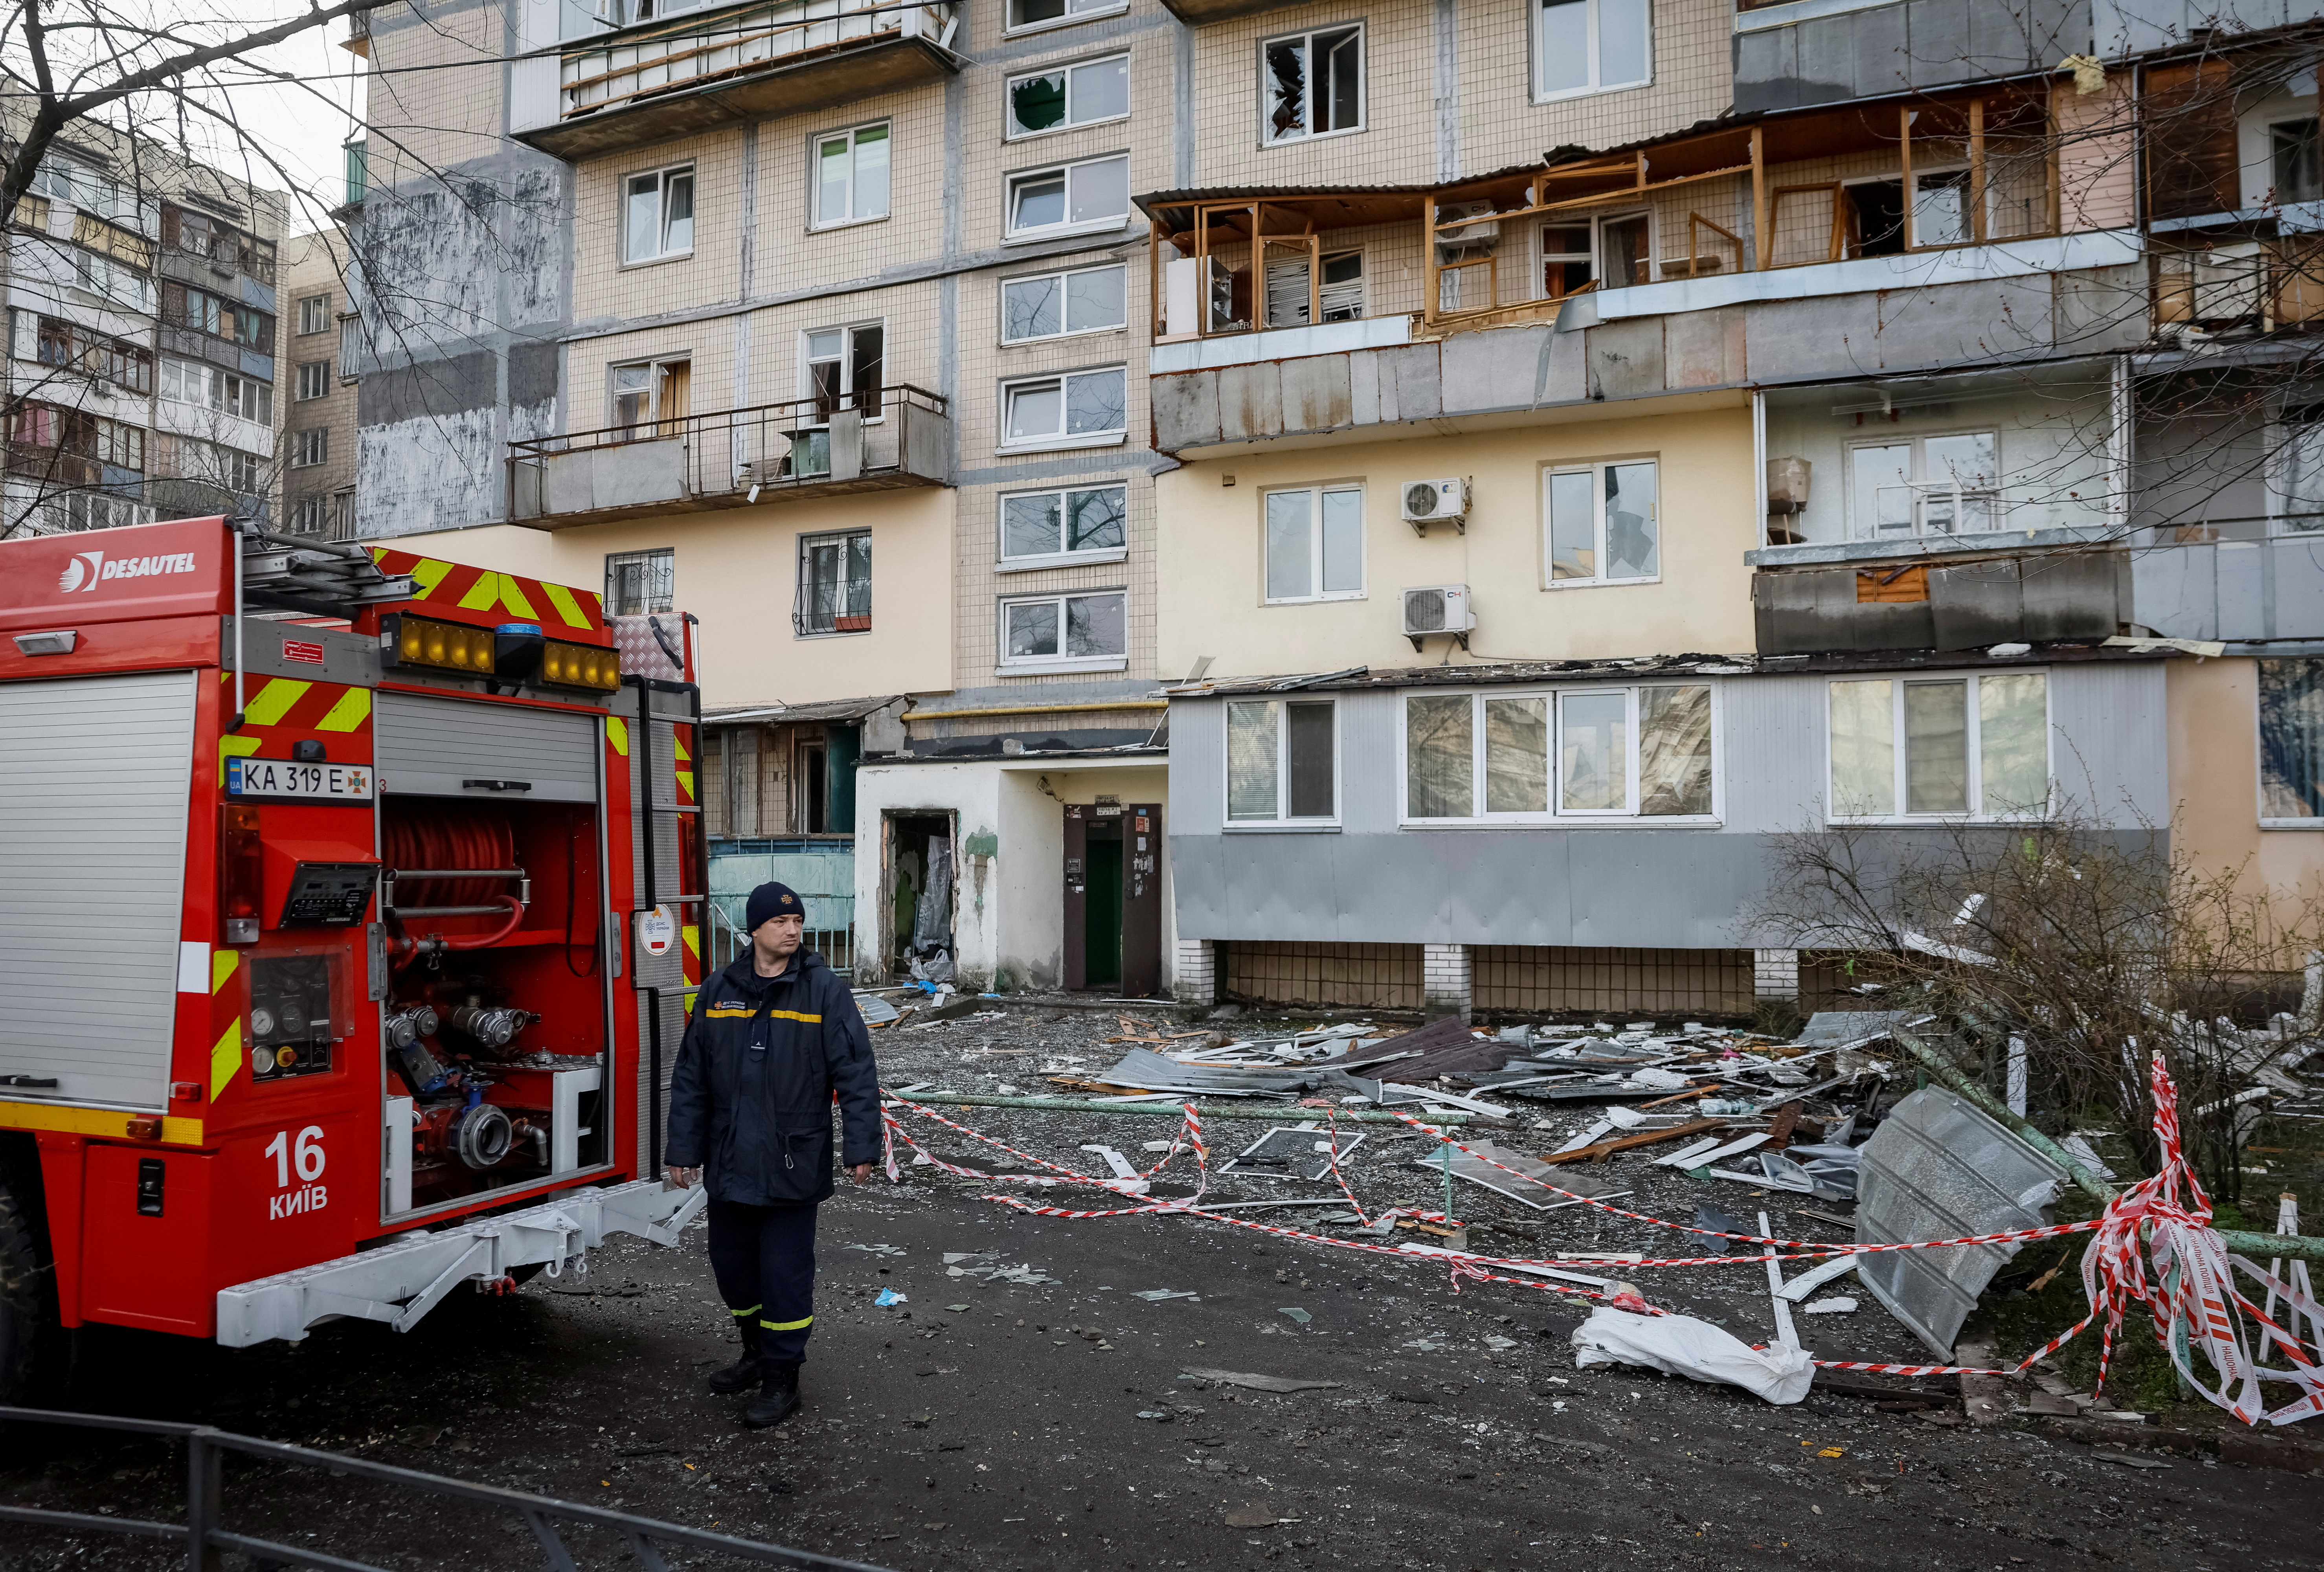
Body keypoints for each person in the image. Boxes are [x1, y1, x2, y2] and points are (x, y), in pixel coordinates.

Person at [665, 880, 881, 1427]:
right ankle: (756, 1353)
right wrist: (683, 1149)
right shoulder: (719, 990)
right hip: (731, 1159)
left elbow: (856, 1072)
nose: (792, 931)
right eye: (781, 922)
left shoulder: (823, 990)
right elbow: (691, 1078)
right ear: (754, 929)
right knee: (733, 1269)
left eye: (798, 922)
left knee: (784, 1275)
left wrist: (862, 1146)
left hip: (792, 1160)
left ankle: (783, 1377)